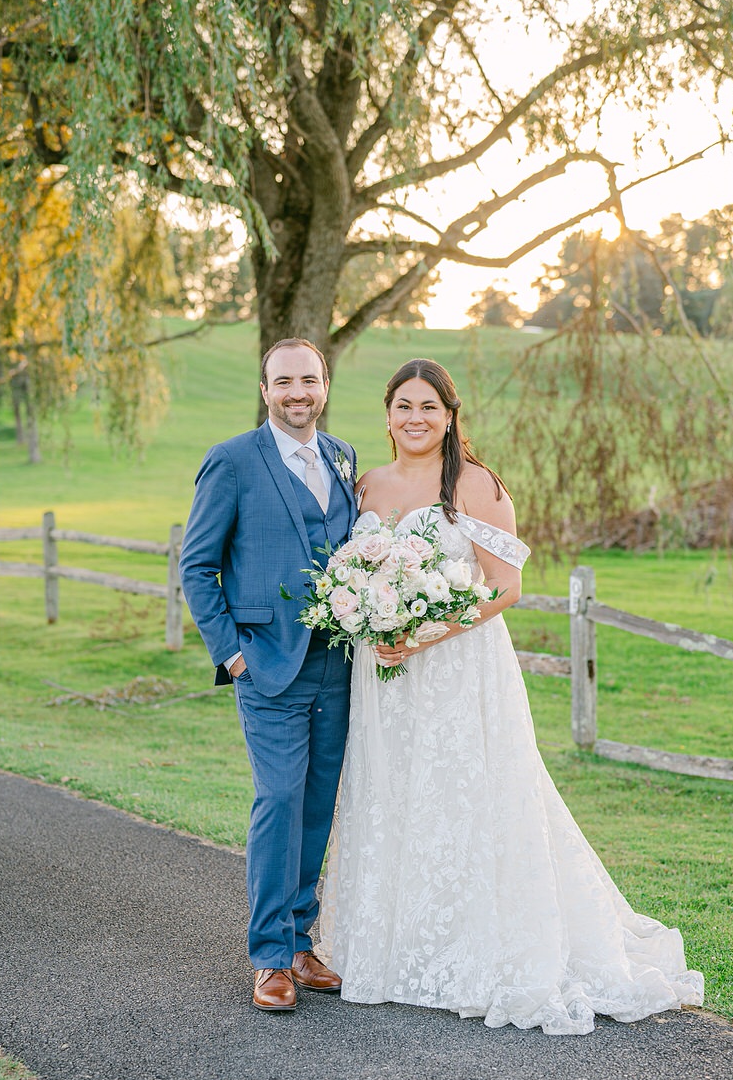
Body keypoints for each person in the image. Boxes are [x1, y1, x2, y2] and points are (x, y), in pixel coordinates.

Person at [317, 357, 704, 1036]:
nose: (415, 418)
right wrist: (368, 617)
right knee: (389, 793)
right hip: (382, 677)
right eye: (404, 406)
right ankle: (392, 946)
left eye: (429, 407)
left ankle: (473, 950)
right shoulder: (367, 485)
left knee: (461, 795)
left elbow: (505, 586)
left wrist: (425, 632)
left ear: (449, 417)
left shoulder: (476, 484)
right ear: (387, 415)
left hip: (456, 668)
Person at [179, 338, 359, 1012]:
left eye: (308, 380)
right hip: (267, 665)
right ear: (265, 390)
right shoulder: (231, 461)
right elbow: (197, 565)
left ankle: (302, 942)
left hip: (336, 663)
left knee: (318, 805)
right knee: (279, 800)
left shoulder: (342, 456)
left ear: (324, 385)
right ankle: (270, 958)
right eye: (284, 381)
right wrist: (232, 655)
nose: (297, 393)